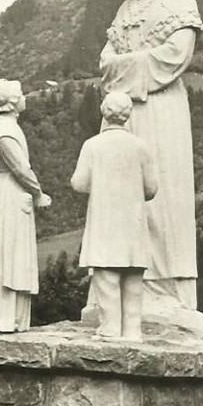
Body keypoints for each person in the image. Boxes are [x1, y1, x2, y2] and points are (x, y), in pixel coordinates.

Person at [96, 0, 203, 332]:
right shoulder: (125, 9)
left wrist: (124, 68)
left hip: (160, 111)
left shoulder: (178, 0)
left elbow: (175, 57)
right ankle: (118, 297)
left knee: (162, 196)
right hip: (125, 113)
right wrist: (125, 68)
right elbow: (104, 59)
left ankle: (166, 293)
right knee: (121, 200)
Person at [71, 91, 158, 340]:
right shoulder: (141, 147)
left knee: (107, 277)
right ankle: (132, 330)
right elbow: (151, 189)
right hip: (132, 222)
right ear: (127, 114)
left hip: (105, 221)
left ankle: (110, 328)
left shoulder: (92, 145)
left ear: (104, 113)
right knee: (133, 280)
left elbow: (78, 183)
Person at [0, 79, 51, 332]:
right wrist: (38, 193)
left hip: (10, 193)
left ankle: (12, 318)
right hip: (8, 193)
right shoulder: (3, 129)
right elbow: (20, 167)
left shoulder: (6, 127)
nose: (25, 98)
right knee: (6, 255)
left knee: (11, 254)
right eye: (22, 94)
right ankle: (0, 318)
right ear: (13, 101)